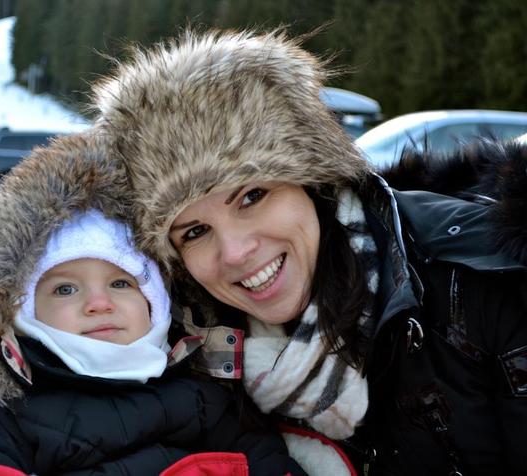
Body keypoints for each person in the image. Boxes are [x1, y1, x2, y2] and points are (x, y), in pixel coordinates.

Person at [91, 29, 527, 475]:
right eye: (196, 231)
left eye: (252, 196)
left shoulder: (479, 276)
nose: (236, 253)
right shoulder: (188, 355)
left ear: (314, 182)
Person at [0, 132, 306, 476]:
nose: (99, 303)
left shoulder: (203, 390)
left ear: (155, 303)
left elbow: (266, 460)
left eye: (120, 283)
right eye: (65, 289)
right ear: (24, 312)